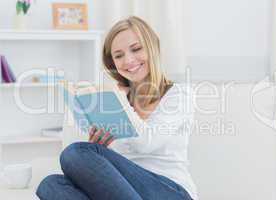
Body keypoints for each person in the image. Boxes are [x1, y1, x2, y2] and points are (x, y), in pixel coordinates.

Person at [36, 16, 198, 200]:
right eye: (119, 55)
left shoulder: (179, 94)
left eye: (136, 49)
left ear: (152, 48)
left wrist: (121, 101)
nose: (128, 60)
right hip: (124, 191)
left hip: (170, 191)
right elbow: (114, 173)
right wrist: (100, 148)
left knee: (74, 153)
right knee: (50, 184)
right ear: (112, 63)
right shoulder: (114, 101)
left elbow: (147, 143)